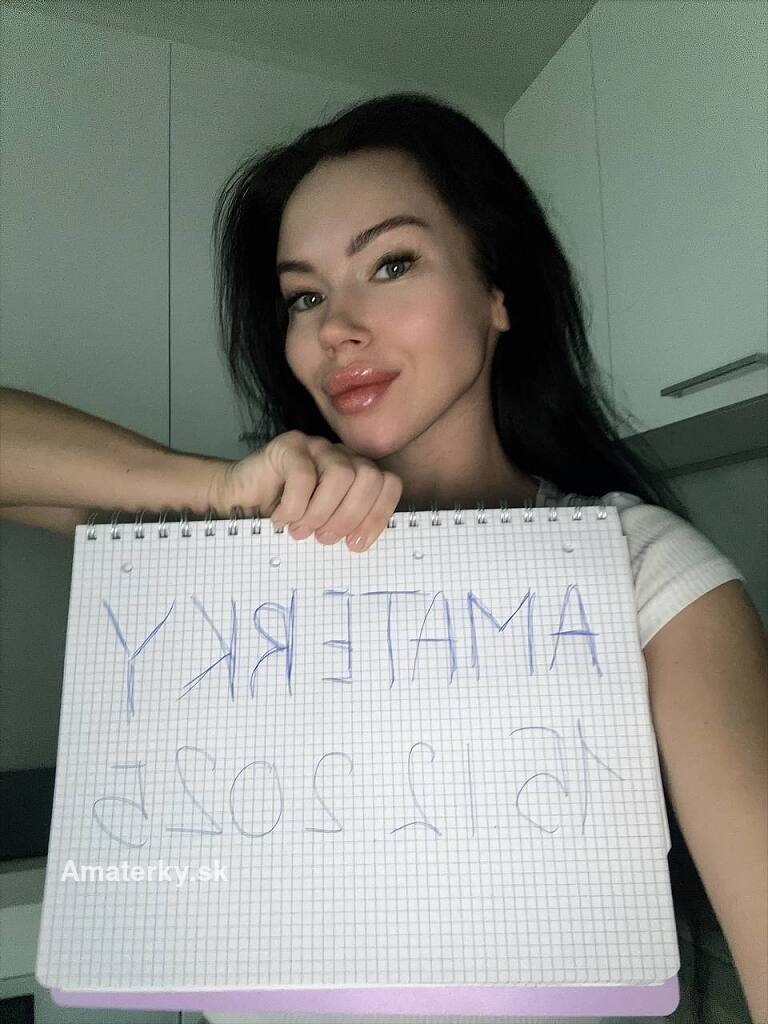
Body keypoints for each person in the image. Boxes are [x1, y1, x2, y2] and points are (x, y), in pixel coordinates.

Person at [1, 93, 765, 1024]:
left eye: (391, 263)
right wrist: (214, 489)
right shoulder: (232, 548)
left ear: (497, 292)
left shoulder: (643, 572)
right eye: (305, 296)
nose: (336, 328)